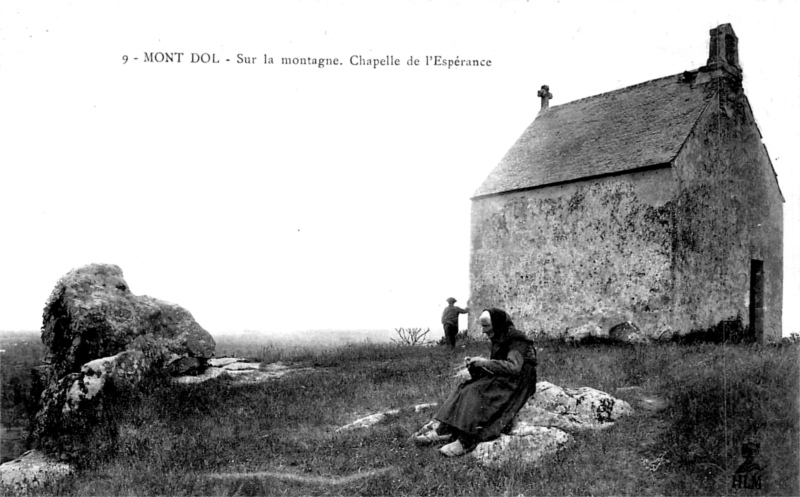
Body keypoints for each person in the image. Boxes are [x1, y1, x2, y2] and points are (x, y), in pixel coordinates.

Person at [415, 308, 538, 457]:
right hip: (507, 377)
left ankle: (466, 440)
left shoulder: (516, 340)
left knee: (478, 393)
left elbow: (513, 367)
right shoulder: (500, 336)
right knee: (465, 387)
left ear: (497, 324)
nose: (484, 331)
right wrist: (476, 365)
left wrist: (485, 363)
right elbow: (500, 364)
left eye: (486, 326)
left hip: (519, 382)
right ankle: (445, 430)